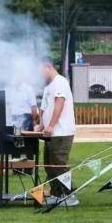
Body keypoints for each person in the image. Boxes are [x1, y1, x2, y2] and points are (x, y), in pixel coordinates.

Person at [39, 59, 78, 206]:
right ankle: (57, 194)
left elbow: (59, 103)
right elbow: (44, 109)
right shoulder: (48, 86)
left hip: (61, 131)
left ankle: (69, 196)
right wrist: (40, 126)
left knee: (59, 165)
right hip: (50, 133)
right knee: (49, 165)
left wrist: (51, 125)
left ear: (48, 66)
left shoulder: (60, 82)